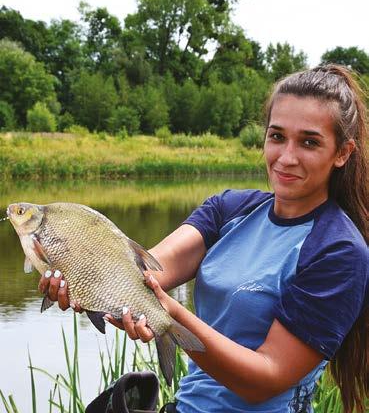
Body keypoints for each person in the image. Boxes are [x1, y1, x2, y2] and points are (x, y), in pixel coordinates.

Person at [39, 64, 369, 413]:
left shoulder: (339, 251)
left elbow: (265, 380)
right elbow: (144, 278)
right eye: (276, 136)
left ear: (343, 153)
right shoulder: (229, 209)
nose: (286, 158)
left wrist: (169, 314)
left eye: (309, 142)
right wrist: (78, 273)